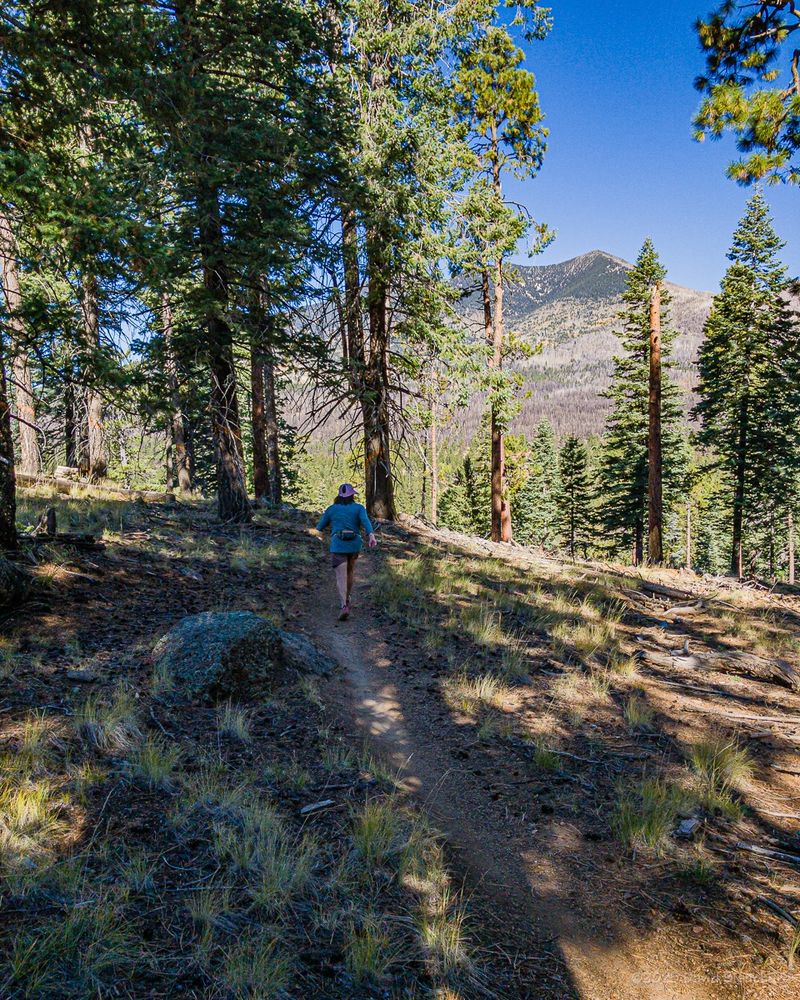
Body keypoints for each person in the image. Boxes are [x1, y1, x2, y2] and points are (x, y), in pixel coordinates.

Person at [316, 483, 377, 620]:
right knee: (350, 571)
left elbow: (320, 527)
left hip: (338, 545)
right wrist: (371, 535)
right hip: (354, 545)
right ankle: (347, 599)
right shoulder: (359, 508)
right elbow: (366, 522)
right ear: (352, 496)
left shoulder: (331, 509)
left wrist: (321, 536)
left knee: (340, 576)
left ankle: (344, 605)